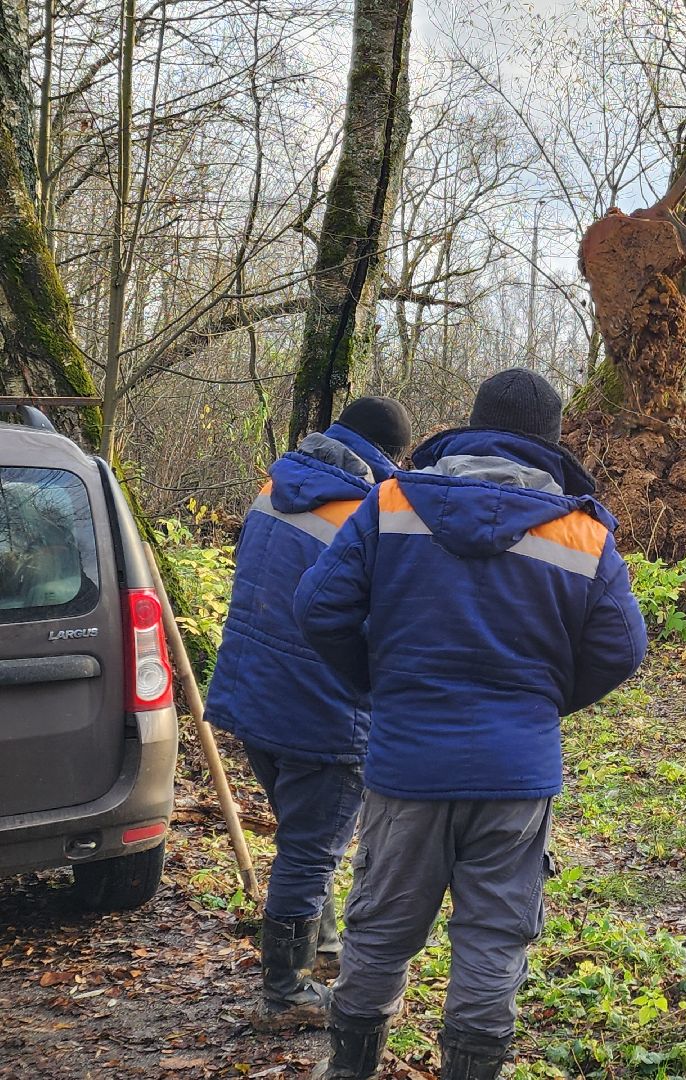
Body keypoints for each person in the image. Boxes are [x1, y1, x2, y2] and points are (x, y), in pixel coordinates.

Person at [294, 369, 647, 1080]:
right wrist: (541, 702)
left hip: (406, 766)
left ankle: (350, 1070)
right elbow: (622, 647)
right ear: (549, 443)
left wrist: (380, 681)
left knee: (381, 931)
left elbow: (318, 606)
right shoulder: (581, 533)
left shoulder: (391, 504)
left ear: (472, 425)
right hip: (515, 776)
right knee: (494, 938)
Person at [206, 396, 412, 1031]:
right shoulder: (366, 513)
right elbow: (378, 619)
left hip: (251, 696)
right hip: (321, 710)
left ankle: (317, 944)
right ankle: (284, 989)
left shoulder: (278, 484)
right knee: (310, 849)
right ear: (387, 452)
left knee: (302, 836)